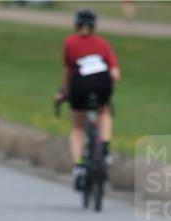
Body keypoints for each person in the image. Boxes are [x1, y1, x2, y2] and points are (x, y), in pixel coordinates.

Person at [56, 8, 120, 189]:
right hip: (102, 84)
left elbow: (68, 71)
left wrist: (64, 92)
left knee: (77, 126)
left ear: (76, 25)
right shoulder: (102, 44)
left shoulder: (70, 42)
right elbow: (116, 75)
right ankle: (105, 149)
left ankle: (78, 164)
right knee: (104, 111)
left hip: (79, 85)